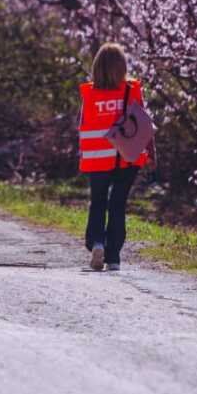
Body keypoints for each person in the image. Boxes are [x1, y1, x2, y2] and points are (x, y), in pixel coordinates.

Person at [77, 43, 154, 271]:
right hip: (127, 157)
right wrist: (151, 153)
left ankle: (97, 242)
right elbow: (144, 124)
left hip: (97, 158)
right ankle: (113, 258)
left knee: (98, 202)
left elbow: (82, 125)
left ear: (97, 67)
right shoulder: (131, 91)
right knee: (118, 204)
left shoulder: (90, 95)